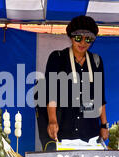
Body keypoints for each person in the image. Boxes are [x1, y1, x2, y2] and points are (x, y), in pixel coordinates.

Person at [37, 15, 109, 150]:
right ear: (71, 37)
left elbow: (100, 97)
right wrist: (52, 120)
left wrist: (104, 125)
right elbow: (50, 93)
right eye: (78, 38)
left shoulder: (96, 61)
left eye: (88, 39)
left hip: (90, 133)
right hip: (64, 132)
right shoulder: (57, 58)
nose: (82, 43)